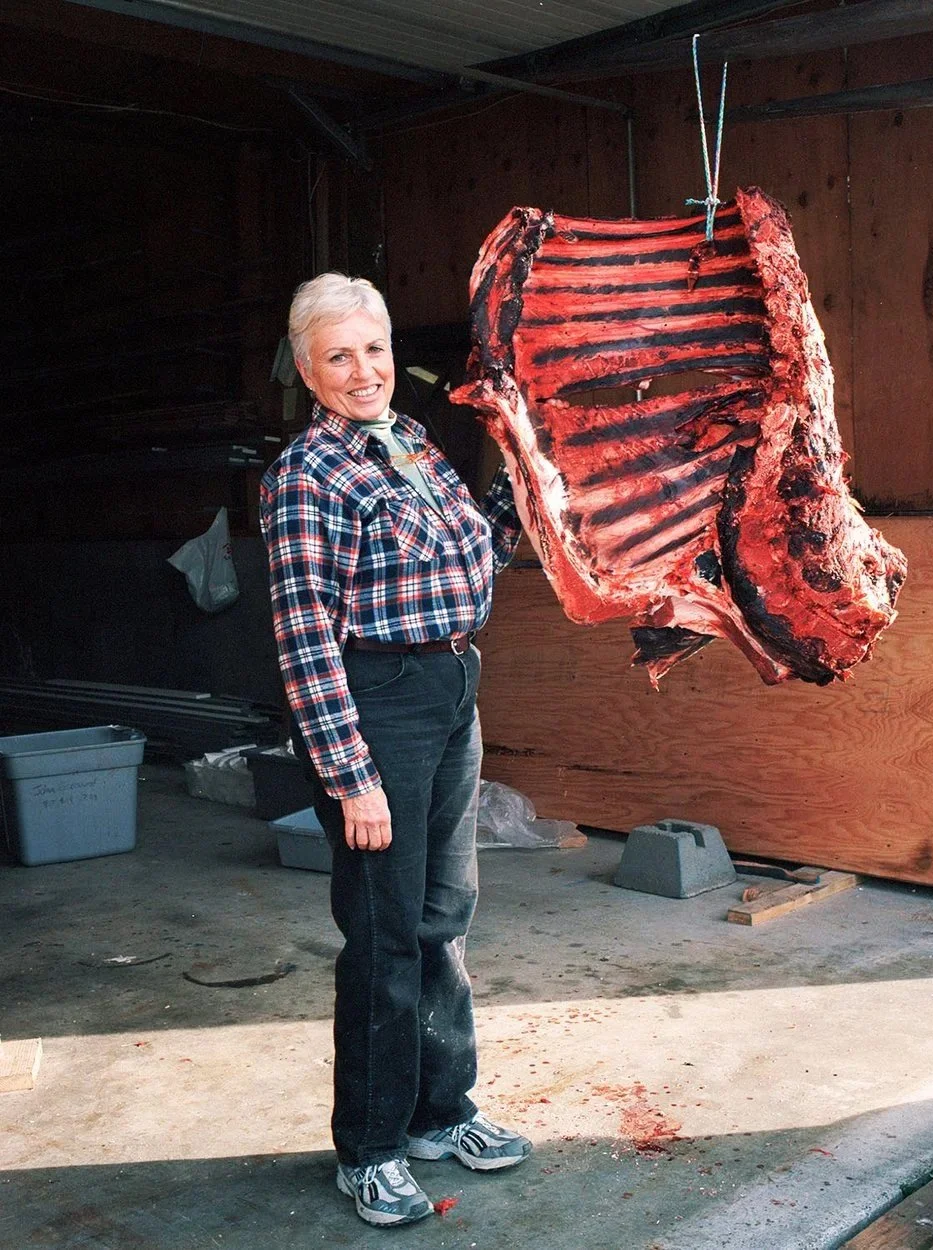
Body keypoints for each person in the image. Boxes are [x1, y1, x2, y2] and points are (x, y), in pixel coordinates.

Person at [259, 272, 531, 1229]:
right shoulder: (306, 477)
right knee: (382, 937)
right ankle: (369, 1150)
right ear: (306, 369)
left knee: (443, 917)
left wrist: (523, 468)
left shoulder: (411, 444)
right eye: (338, 356)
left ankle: (439, 1115)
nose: (363, 370)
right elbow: (302, 640)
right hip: (378, 703)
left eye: (373, 349)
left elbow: (481, 550)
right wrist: (350, 774)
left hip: (452, 685)